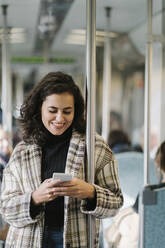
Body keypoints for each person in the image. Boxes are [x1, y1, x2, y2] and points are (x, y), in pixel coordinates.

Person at [0, 71, 123, 248]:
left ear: (76, 111)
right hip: (27, 240)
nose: (60, 118)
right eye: (52, 111)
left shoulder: (94, 146)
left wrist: (90, 192)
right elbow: (6, 209)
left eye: (67, 111)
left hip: (78, 239)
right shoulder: (22, 152)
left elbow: (116, 202)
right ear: (39, 108)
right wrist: (35, 198)